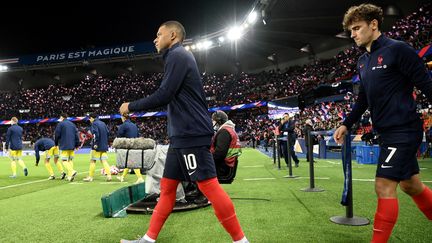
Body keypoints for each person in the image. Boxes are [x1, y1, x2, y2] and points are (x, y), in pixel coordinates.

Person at [119, 21, 247, 243]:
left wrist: (131, 106)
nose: (155, 39)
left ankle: (241, 241)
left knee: (209, 188)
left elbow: (165, 94)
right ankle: (148, 240)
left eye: (159, 34)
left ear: (173, 35)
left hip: (191, 135)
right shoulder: (175, 57)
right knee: (167, 189)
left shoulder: (178, 55)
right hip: (181, 138)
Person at [334, 4, 432, 242]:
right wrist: (347, 123)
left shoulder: (398, 50)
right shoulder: (362, 62)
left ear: (374, 24)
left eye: (357, 28)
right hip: (386, 133)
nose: (353, 34)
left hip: (404, 129)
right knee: (411, 186)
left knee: (383, 186)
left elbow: (427, 85)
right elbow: (363, 99)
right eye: (350, 31)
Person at [210, 110, 242, 179]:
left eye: (213, 121)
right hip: (227, 166)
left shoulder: (224, 132)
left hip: (222, 167)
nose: (212, 123)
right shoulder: (230, 130)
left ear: (219, 121)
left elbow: (219, 154)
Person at [83, 113, 112, 182]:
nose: (89, 120)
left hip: (97, 146)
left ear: (92, 118)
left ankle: (90, 177)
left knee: (92, 160)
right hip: (104, 145)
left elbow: (96, 134)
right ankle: (109, 176)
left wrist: (95, 143)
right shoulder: (103, 123)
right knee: (104, 161)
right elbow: (108, 133)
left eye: (89, 118)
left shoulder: (94, 124)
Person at [116, 114, 144, 184]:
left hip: (128, 145)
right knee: (129, 162)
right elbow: (137, 135)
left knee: (132, 162)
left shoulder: (123, 125)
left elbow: (119, 135)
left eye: (122, 118)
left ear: (124, 118)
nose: (121, 119)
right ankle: (122, 176)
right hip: (135, 145)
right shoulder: (134, 125)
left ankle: (140, 178)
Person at [54, 113, 79, 182]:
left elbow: (57, 134)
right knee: (70, 160)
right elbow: (77, 135)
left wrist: (56, 143)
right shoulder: (72, 124)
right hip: (72, 145)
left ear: (62, 117)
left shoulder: (60, 124)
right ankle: (70, 176)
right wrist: (77, 145)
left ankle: (72, 171)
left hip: (64, 145)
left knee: (64, 160)